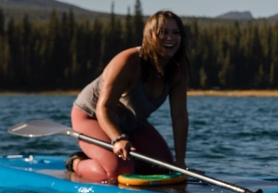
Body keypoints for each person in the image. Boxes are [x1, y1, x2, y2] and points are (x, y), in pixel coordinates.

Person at [66, 10, 189, 183]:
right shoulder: (128, 61)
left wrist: (180, 162)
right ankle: (77, 162)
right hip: (92, 116)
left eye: (175, 32)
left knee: (164, 168)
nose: (170, 38)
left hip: (132, 123)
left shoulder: (178, 69)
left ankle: (119, 158)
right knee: (119, 172)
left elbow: (180, 116)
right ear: (150, 36)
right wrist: (118, 138)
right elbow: (104, 108)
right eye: (163, 32)